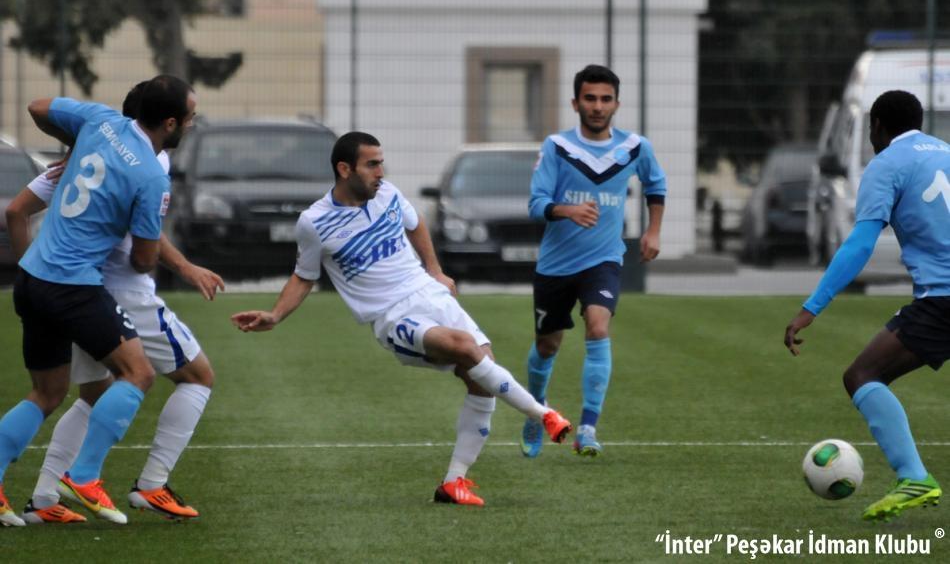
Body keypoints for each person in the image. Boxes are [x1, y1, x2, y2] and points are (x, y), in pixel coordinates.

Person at [231, 131, 573, 507]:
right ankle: (543, 414)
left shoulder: (388, 194)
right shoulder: (314, 222)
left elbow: (415, 222)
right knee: (465, 348)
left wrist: (434, 270)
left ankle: (453, 482)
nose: (381, 171)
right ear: (344, 169)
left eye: (381, 163)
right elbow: (304, 276)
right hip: (392, 317)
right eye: (372, 164)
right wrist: (275, 315)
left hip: (430, 295)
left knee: (482, 378)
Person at [5, 82, 221, 524]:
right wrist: (146, 237)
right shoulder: (152, 174)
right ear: (170, 123)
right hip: (78, 287)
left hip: (33, 277)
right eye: (190, 118)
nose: (193, 124)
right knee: (141, 374)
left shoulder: (98, 123)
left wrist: (75, 144)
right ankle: (88, 476)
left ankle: (44, 497)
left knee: (52, 393)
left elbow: (38, 106)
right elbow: (142, 260)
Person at [784, 90, 948, 521]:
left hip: (943, 299)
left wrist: (811, 308)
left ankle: (914, 477)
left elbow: (859, 244)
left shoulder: (887, 164)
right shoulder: (946, 153)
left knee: (862, 375)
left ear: (876, 126)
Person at [520, 64, 667, 459]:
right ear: (576, 103)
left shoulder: (635, 147)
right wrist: (567, 210)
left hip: (603, 259)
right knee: (547, 345)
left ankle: (587, 428)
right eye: (590, 98)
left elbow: (656, 185)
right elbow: (535, 204)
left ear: (616, 103)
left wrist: (653, 231)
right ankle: (536, 412)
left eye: (605, 99)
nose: (598, 106)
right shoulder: (557, 147)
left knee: (598, 327)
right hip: (556, 265)